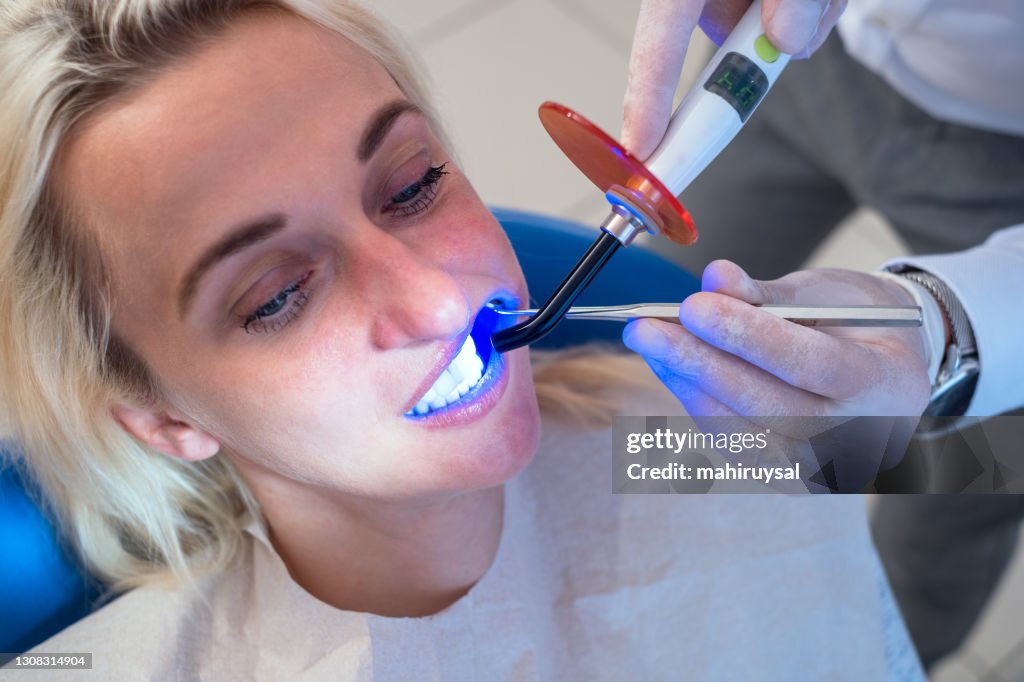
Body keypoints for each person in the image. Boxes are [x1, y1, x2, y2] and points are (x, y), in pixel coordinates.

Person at [0, 0, 924, 679]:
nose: (442, 301)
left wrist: (930, 360)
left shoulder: (671, 448)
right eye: (278, 296)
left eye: (413, 186)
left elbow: (972, 464)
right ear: (162, 417)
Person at [619, 0, 1024, 667]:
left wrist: (945, 330)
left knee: (970, 466)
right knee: (662, 353)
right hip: (800, 57)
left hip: (1008, 157)